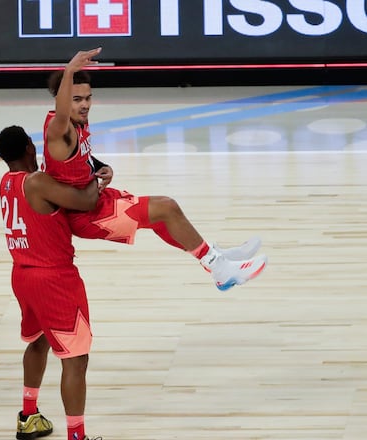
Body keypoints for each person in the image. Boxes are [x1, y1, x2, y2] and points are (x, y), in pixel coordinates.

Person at [44, 48, 267, 291]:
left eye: (88, 98)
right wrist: (69, 70)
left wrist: (100, 166)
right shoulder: (59, 130)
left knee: (162, 220)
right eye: (77, 100)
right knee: (166, 207)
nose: (85, 104)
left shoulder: (77, 123)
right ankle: (218, 267)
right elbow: (63, 120)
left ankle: (214, 256)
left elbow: (74, 158)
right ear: (63, 100)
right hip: (86, 216)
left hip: (96, 200)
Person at [0, 125, 101, 440]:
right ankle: (77, 436)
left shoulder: (6, 182)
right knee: (76, 357)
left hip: (22, 273)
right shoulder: (37, 181)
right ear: (30, 147)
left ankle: (29, 415)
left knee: (39, 341)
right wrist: (97, 178)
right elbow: (85, 202)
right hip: (53, 276)